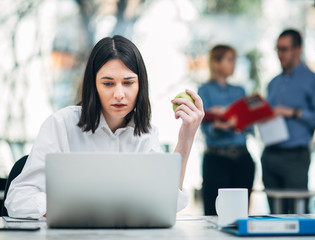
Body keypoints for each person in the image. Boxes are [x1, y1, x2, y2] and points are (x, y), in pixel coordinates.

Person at [5, 35, 204, 219]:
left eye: (128, 83)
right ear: (94, 86)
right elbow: (18, 198)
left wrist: (186, 137)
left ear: (140, 86)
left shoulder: (146, 133)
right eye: (108, 84)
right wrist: (73, 208)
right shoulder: (61, 124)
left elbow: (166, 202)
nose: (119, 94)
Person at [261, 29, 315, 213]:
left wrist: (293, 112)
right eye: (277, 49)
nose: (280, 54)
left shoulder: (314, 81)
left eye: (284, 49)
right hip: (270, 155)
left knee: (296, 216)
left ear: (298, 50)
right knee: (274, 218)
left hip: (295, 157)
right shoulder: (273, 83)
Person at [198, 45, 255, 215]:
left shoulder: (240, 91)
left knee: (240, 214)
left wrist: (238, 122)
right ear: (216, 63)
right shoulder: (204, 90)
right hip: (216, 159)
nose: (234, 64)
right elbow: (204, 125)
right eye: (230, 60)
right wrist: (216, 124)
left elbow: (250, 125)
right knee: (214, 214)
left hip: (242, 158)